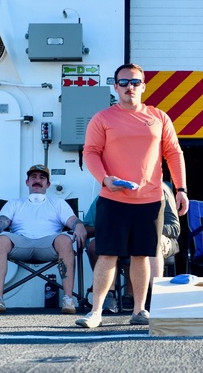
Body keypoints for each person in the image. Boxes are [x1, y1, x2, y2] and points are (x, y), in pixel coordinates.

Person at [76, 63, 188, 328]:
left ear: (144, 86)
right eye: (124, 82)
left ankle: (140, 310)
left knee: (141, 255)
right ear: (115, 87)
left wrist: (181, 189)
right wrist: (104, 179)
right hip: (114, 199)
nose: (130, 87)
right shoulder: (102, 118)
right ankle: (96, 312)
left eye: (135, 82)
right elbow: (90, 152)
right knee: (107, 254)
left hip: (150, 200)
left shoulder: (159, 117)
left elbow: (174, 153)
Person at [0, 164, 86, 315]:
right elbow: (2, 220)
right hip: (21, 244)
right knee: (0, 241)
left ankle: (68, 299)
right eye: (34, 177)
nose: (37, 180)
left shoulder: (58, 203)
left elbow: (72, 220)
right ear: (27, 182)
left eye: (42, 178)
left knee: (65, 240)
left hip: (49, 245)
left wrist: (79, 225)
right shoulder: (14, 204)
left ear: (48, 184)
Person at [83, 181, 179, 314]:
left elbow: (175, 228)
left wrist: (145, 229)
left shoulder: (161, 189)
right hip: (123, 239)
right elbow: (87, 226)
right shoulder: (110, 190)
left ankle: (157, 298)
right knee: (98, 244)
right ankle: (108, 297)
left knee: (151, 241)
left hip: (161, 239)